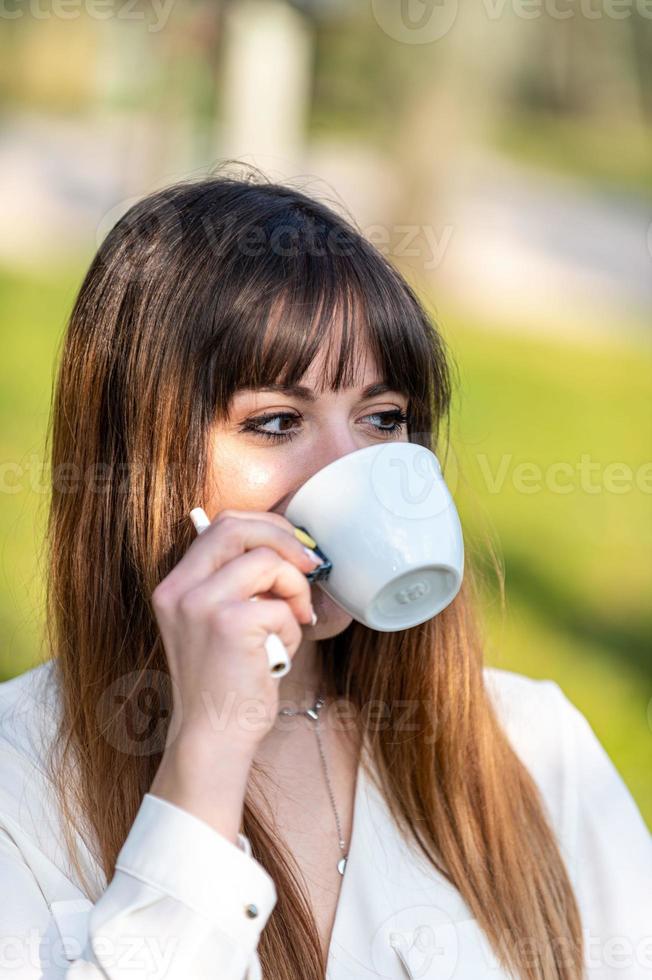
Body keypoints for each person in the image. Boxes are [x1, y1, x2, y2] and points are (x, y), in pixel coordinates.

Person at [0, 168, 650, 980]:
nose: (355, 469)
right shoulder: (18, 785)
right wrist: (203, 760)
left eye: (383, 419)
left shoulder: (537, 749)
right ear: (137, 468)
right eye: (277, 422)